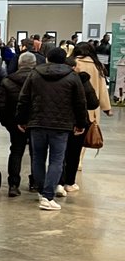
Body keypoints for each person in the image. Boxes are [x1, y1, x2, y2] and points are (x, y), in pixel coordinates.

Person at [17, 49, 90, 211]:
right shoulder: (72, 77)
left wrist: (21, 120)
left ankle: (43, 191)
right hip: (61, 125)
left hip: (37, 123)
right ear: (65, 60)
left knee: (37, 158)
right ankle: (48, 195)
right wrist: (81, 124)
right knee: (57, 160)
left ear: (47, 58)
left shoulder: (35, 74)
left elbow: (24, 98)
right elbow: (80, 102)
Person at [60, 42, 112, 193]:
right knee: (81, 141)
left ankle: (61, 175)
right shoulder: (98, 66)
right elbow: (102, 89)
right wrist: (106, 108)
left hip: (69, 109)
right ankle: (79, 164)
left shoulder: (71, 63)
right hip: (90, 108)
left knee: (66, 143)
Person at [0, 51, 37, 197]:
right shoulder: (39, 80)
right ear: (34, 64)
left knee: (16, 151)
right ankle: (35, 183)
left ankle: (13, 184)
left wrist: (7, 123)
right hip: (35, 123)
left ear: (19, 64)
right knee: (36, 153)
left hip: (14, 123)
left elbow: (1, 105)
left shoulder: (7, 81)